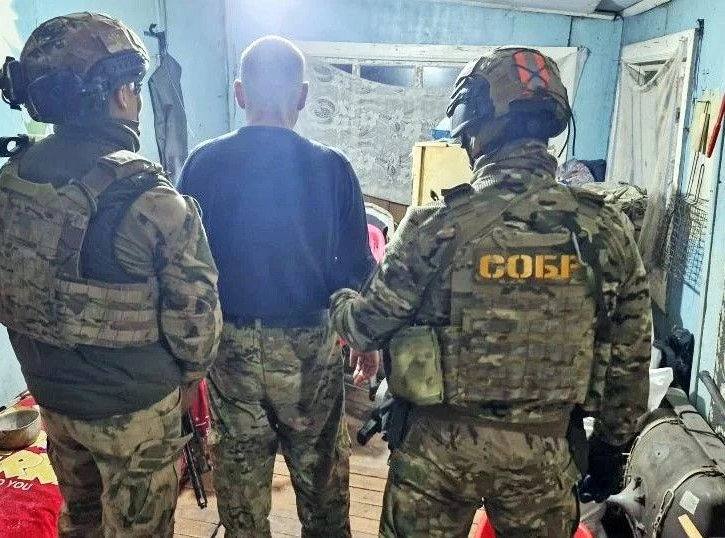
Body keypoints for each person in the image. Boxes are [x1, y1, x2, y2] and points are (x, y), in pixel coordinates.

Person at [330, 47, 652, 537]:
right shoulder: (605, 229)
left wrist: (337, 295)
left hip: (436, 456)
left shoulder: (434, 225)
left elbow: (366, 327)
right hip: (543, 459)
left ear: (474, 124)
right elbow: (631, 355)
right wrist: (611, 448)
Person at [0, 12, 222, 537]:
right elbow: (198, 326)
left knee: (80, 519)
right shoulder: (150, 197)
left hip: (52, 399)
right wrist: (186, 384)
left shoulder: (16, 175)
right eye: (134, 87)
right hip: (134, 412)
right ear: (121, 94)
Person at [177, 35, 377, 538]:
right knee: (323, 487)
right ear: (303, 96)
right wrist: (366, 340)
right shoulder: (333, 168)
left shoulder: (202, 163)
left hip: (229, 349)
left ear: (240, 93)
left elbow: (182, 268)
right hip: (310, 349)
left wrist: (185, 356)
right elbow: (356, 269)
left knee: (241, 491)